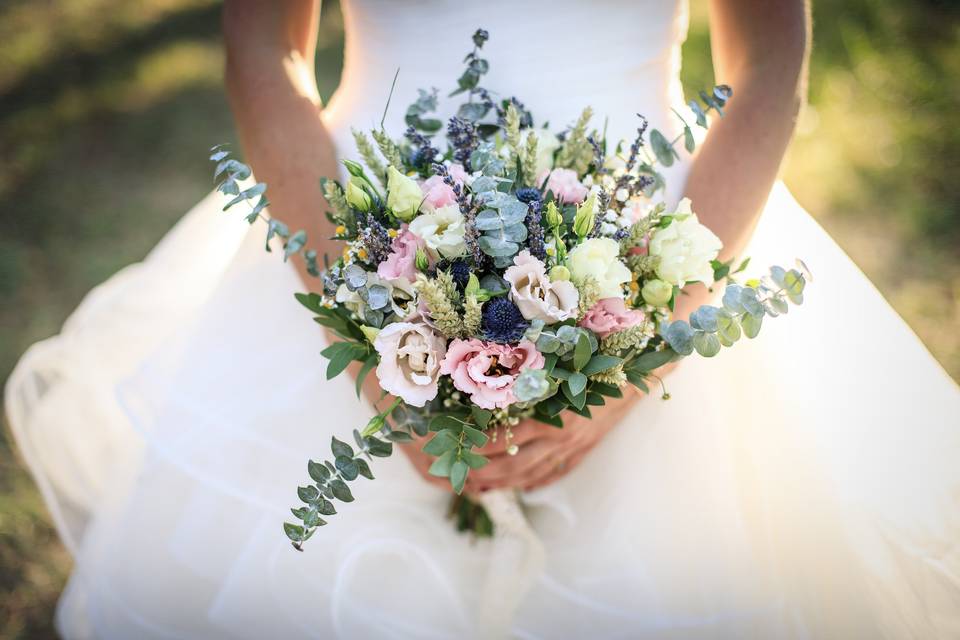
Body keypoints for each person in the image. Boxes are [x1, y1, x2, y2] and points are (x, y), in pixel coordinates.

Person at [6, 1, 959, 637]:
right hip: (352, 224)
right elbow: (266, 47)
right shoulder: (360, 290)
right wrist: (372, 327)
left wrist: (650, 348)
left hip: (655, 238)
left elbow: (769, 65)